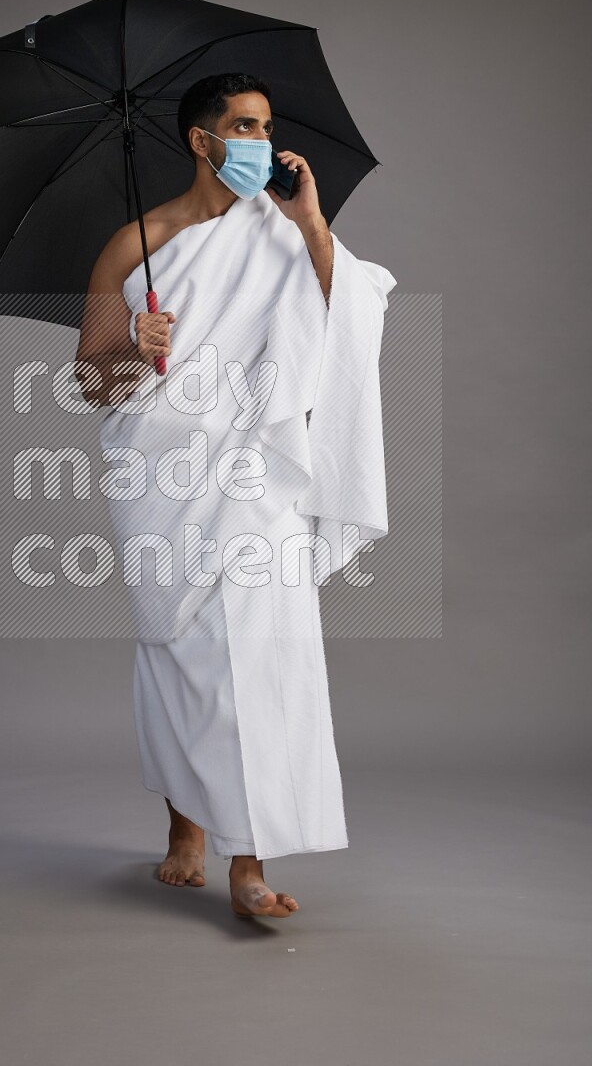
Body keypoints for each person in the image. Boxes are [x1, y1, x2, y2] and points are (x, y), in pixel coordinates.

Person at [74, 73, 395, 919]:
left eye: (265, 126)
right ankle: (185, 830)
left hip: (259, 478)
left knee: (261, 658)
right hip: (163, 480)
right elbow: (93, 380)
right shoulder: (132, 244)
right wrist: (135, 350)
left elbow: (350, 317)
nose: (262, 141)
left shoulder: (290, 233)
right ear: (199, 140)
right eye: (243, 127)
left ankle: (246, 863)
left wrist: (314, 223)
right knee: (178, 655)